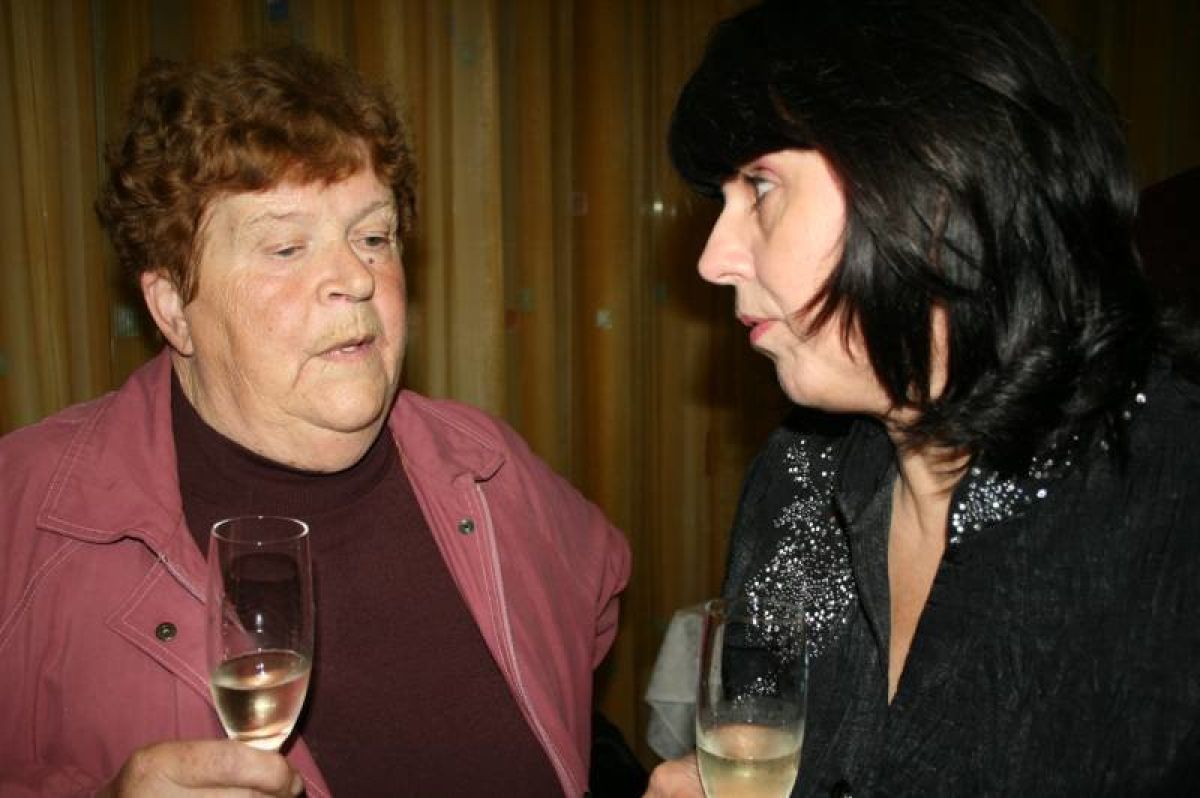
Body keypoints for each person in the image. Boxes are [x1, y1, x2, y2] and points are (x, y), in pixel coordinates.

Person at [0, 46, 630, 797]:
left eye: (373, 237)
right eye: (286, 247)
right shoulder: (24, 510)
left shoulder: (487, 465)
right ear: (173, 307)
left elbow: (596, 606)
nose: (356, 278)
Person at [644, 1, 1200, 796]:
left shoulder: (1172, 510)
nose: (713, 258)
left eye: (760, 185)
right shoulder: (798, 477)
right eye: (721, 200)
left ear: (936, 174)